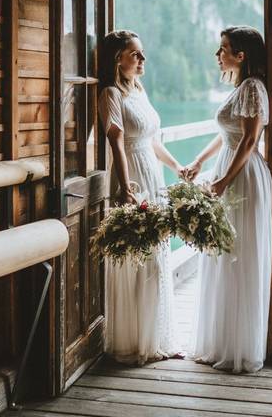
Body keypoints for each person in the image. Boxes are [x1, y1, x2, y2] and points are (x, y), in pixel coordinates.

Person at [183, 26, 272, 373]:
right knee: (223, 254)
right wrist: (200, 162)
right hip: (230, 170)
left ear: (241, 55)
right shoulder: (242, 88)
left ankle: (238, 347)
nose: (217, 55)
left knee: (238, 255)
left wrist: (222, 182)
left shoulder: (252, 87)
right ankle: (221, 340)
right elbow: (228, 135)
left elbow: (249, 140)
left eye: (223, 49)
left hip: (242, 175)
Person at [98, 29, 184, 364]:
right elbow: (116, 142)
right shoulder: (110, 94)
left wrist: (178, 167)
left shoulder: (139, 90)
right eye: (135, 54)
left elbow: (153, 140)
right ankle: (132, 341)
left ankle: (156, 337)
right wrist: (126, 185)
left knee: (155, 252)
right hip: (132, 174)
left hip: (153, 172)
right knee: (136, 257)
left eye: (142, 52)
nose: (142, 59)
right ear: (117, 59)